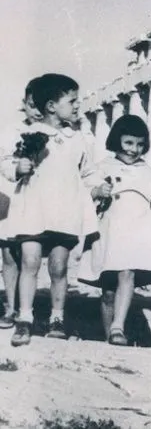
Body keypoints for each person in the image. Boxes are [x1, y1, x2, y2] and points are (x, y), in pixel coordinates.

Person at [1, 73, 103, 346]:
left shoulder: (79, 139)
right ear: (51, 106)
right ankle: (24, 318)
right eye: (72, 100)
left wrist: (97, 188)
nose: (78, 105)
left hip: (65, 213)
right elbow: (7, 163)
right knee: (29, 261)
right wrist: (17, 168)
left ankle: (57, 318)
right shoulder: (28, 135)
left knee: (59, 267)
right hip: (32, 211)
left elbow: (88, 173)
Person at [77, 115, 151, 346]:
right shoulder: (103, 167)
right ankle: (111, 337)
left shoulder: (146, 170)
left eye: (139, 144)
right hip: (109, 230)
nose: (134, 149)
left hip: (136, 229)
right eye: (128, 143)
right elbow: (86, 195)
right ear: (117, 140)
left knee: (127, 273)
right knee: (108, 290)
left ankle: (118, 326)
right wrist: (98, 192)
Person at [0, 77, 43, 329]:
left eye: (40, 104)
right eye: (31, 104)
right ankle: (10, 306)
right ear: (24, 104)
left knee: (31, 256)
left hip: (39, 199)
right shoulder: (10, 131)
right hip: (11, 193)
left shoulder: (57, 134)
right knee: (8, 253)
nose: (35, 110)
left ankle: (29, 308)